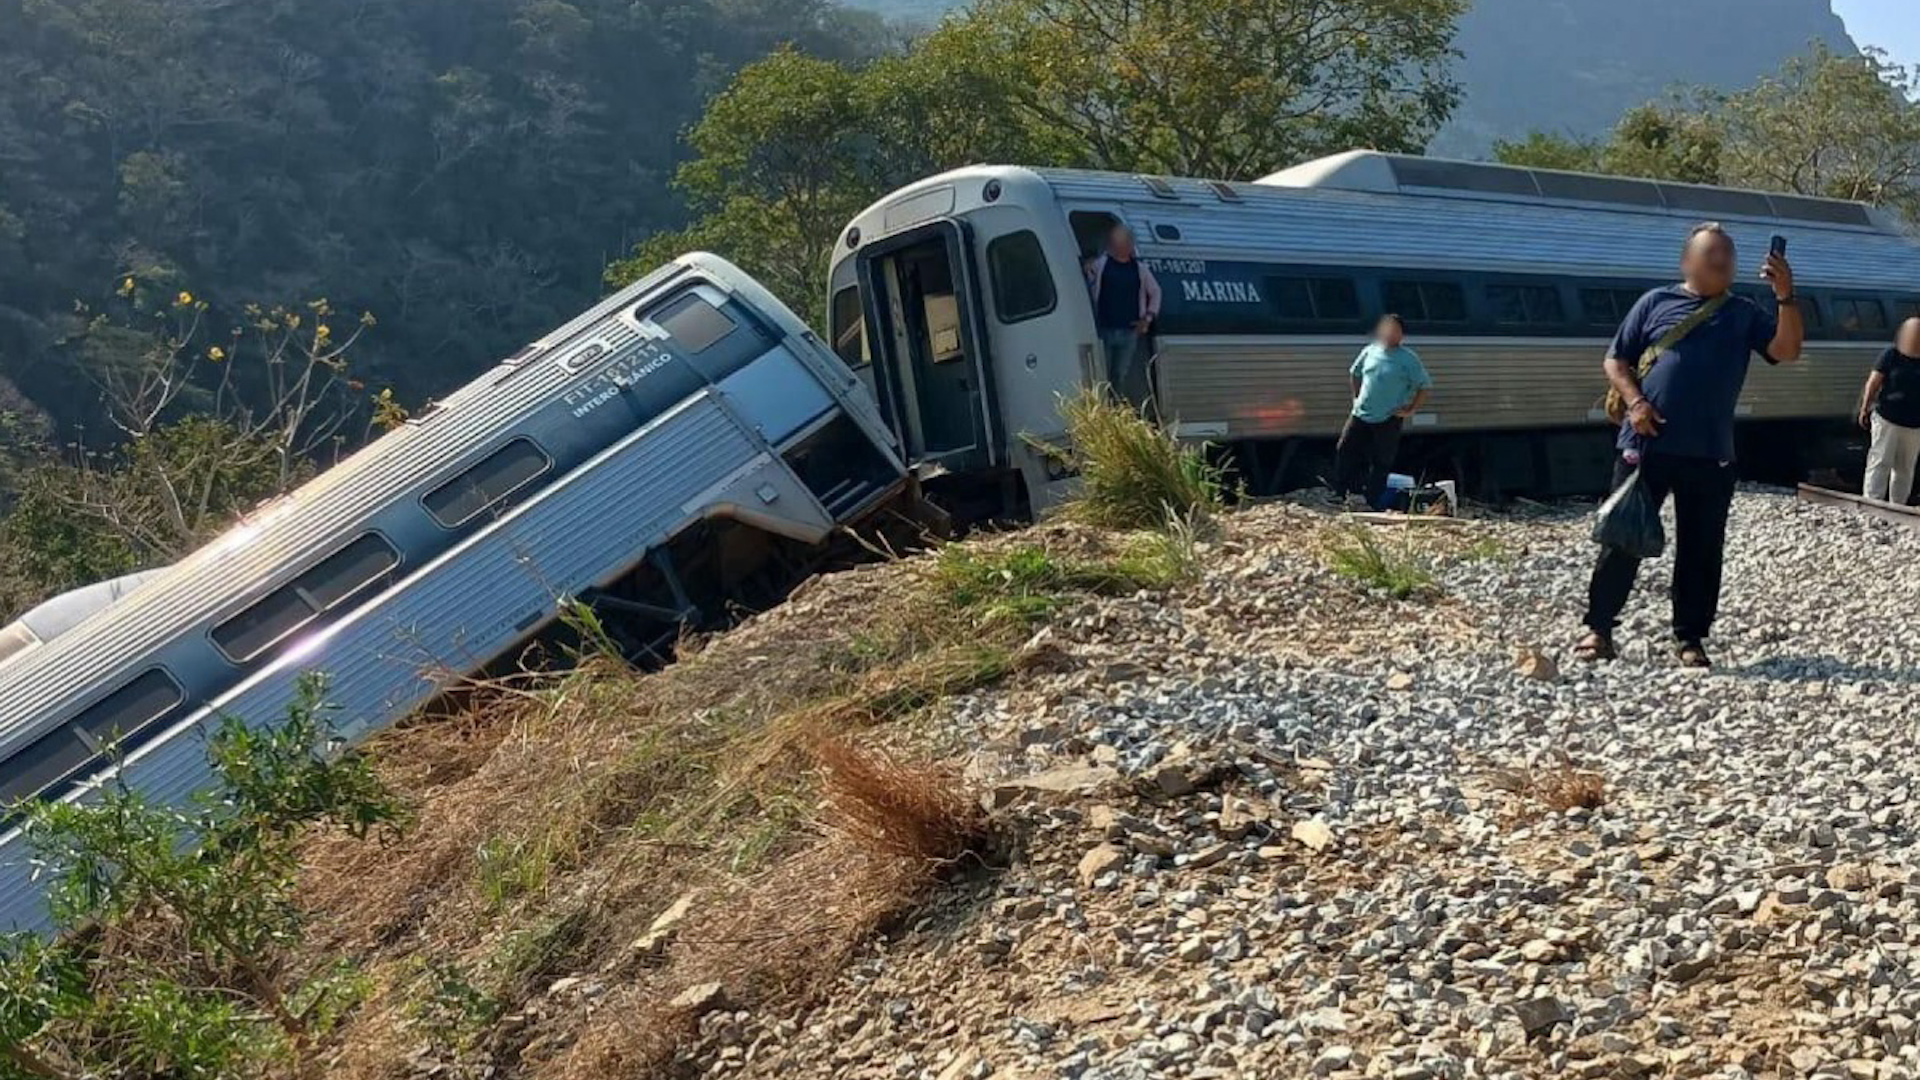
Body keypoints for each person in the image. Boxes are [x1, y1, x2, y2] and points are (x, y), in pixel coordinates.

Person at [1577, 223, 1804, 669]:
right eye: (1712, 252)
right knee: (1622, 536)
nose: (1722, 260)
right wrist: (1636, 401)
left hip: (1710, 450)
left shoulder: (1744, 312)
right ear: (1687, 261)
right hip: (1646, 444)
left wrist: (1785, 296)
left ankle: (1690, 638)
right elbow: (1615, 359)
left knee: (1702, 547)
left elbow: (1788, 350)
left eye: (1728, 254)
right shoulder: (1654, 303)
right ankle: (1598, 628)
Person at [1335, 314, 1431, 510]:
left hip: (1389, 417)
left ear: (1402, 334)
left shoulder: (1408, 359)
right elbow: (1355, 373)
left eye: (1395, 329)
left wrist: (1411, 409)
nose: (1389, 333)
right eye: (1386, 328)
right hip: (1360, 413)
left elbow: (1424, 385)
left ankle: (1372, 500)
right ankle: (1343, 493)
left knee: (1381, 461)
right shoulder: (1370, 351)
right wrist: (1356, 397)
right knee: (1345, 450)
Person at [1084, 224, 1161, 410]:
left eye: (1123, 243)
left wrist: (1148, 318)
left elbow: (1156, 292)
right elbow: (1089, 274)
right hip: (1105, 329)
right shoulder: (1102, 264)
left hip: (1129, 331)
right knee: (1102, 373)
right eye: (1116, 243)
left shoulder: (1140, 269)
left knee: (1120, 374)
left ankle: (1117, 410)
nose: (1119, 247)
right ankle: (1104, 410)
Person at [1858, 317, 1920, 505]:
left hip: (1915, 424)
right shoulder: (1891, 354)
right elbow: (1874, 382)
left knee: (1905, 468)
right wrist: (1865, 407)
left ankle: (1898, 506)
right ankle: (1872, 503)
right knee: (1880, 461)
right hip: (1887, 417)